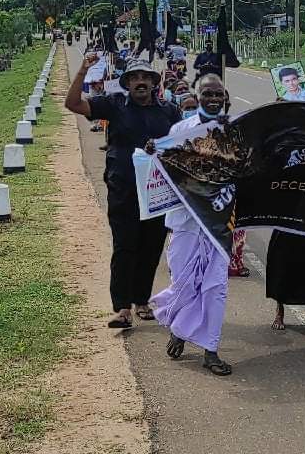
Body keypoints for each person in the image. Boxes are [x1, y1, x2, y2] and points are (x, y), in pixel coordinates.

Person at [64, 54, 181, 329]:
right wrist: (83, 70)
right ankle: (122, 308)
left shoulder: (169, 111)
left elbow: (181, 144)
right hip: (123, 189)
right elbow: (73, 104)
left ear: (154, 83)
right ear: (127, 83)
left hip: (157, 193)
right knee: (124, 246)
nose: (140, 82)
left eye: (145, 78)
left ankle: (142, 300)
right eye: (134, 78)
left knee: (151, 247)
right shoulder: (114, 104)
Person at [148, 74, 235, 376]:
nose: (213, 99)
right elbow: (165, 169)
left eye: (218, 94)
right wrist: (153, 153)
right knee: (184, 284)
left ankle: (211, 351)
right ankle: (178, 328)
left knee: (215, 288)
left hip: (218, 225)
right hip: (185, 222)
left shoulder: (233, 132)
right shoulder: (180, 131)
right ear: (198, 97)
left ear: (225, 98)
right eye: (208, 94)